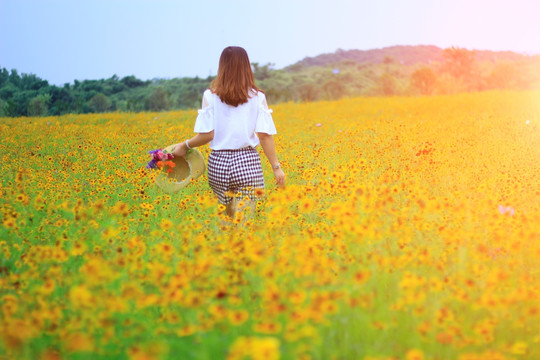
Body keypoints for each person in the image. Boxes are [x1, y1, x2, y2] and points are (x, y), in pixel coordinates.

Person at [172, 46, 285, 218]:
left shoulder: (210, 96)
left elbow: (207, 135)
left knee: (226, 219)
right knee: (245, 220)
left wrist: (184, 145)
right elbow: (264, 135)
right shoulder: (257, 97)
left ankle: (226, 242)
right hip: (247, 161)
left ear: (222, 67)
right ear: (247, 67)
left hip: (218, 163)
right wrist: (276, 168)